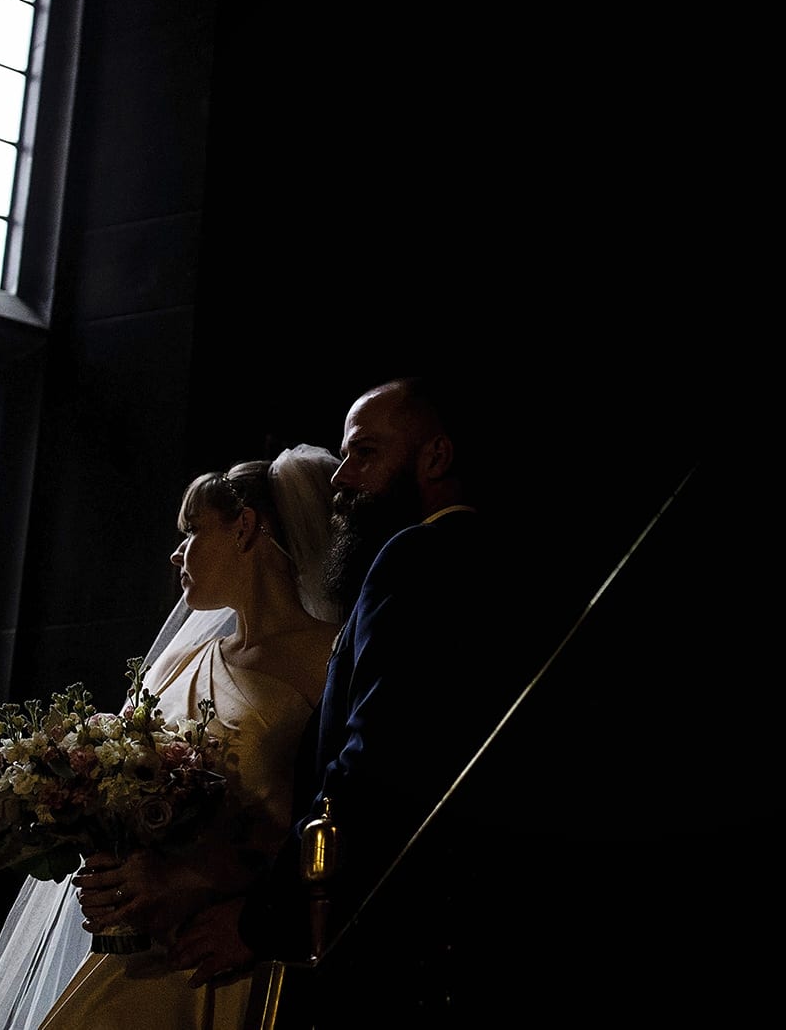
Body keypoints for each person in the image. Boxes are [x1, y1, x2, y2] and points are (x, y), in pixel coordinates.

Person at [168, 375, 567, 1025]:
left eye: (365, 453)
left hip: (395, 946)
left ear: (434, 457)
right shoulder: (509, 568)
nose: (339, 476)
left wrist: (268, 915)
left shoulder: (414, 557)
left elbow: (368, 771)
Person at [0, 445, 343, 1030]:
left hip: (229, 949)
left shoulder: (331, 654)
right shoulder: (178, 661)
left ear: (245, 528)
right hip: (144, 943)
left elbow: (332, 813)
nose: (177, 551)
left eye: (193, 530)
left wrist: (204, 880)